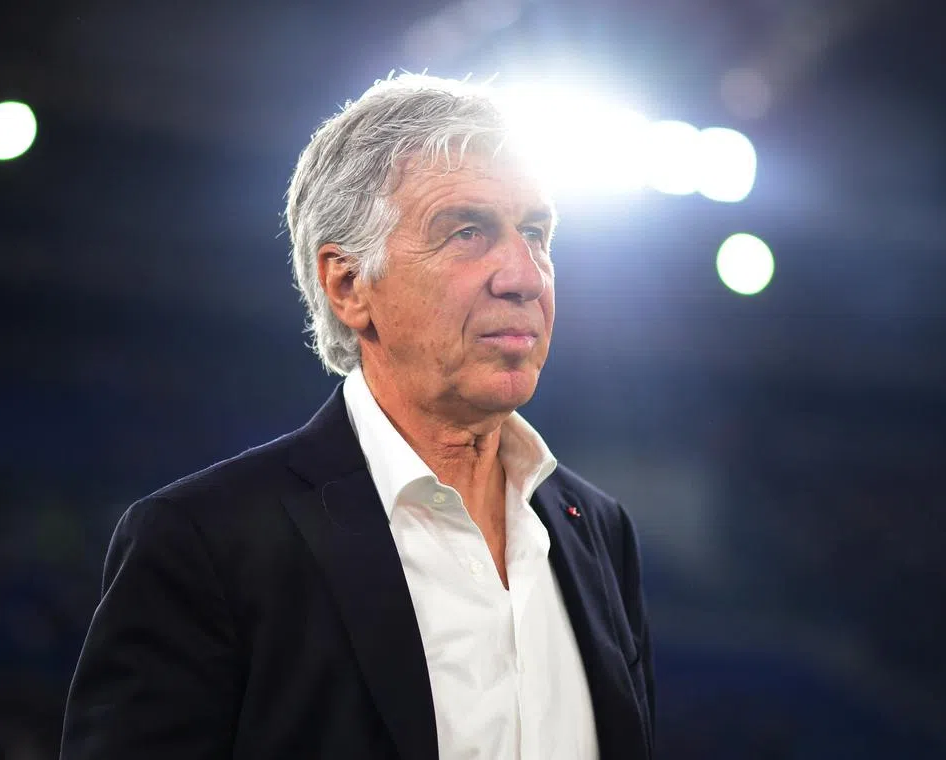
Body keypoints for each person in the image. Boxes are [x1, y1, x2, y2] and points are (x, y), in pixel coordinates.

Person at [60, 73, 654, 760]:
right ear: (347, 285)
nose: (523, 276)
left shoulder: (600, 534)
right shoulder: (204, 543)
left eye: (536, 233)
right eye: (468, 232)